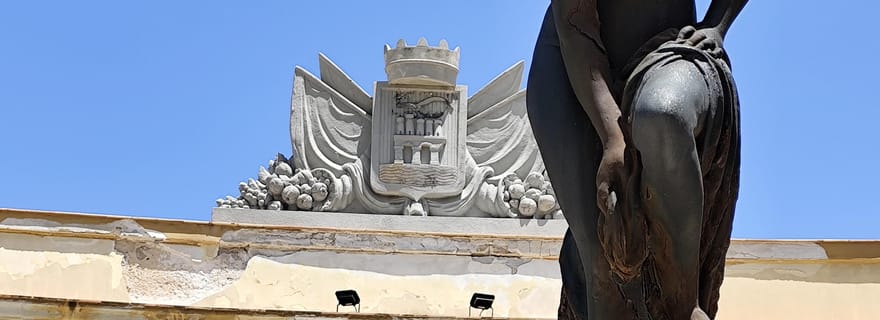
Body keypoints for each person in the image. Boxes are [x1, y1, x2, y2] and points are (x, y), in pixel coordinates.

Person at [526, 0, 747, 319]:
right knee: (605, 264)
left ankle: (683, 306)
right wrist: (612, 138)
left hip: (668, 46)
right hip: (573, 57)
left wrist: (717, 25)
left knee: (663, 115)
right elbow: (576, 22)